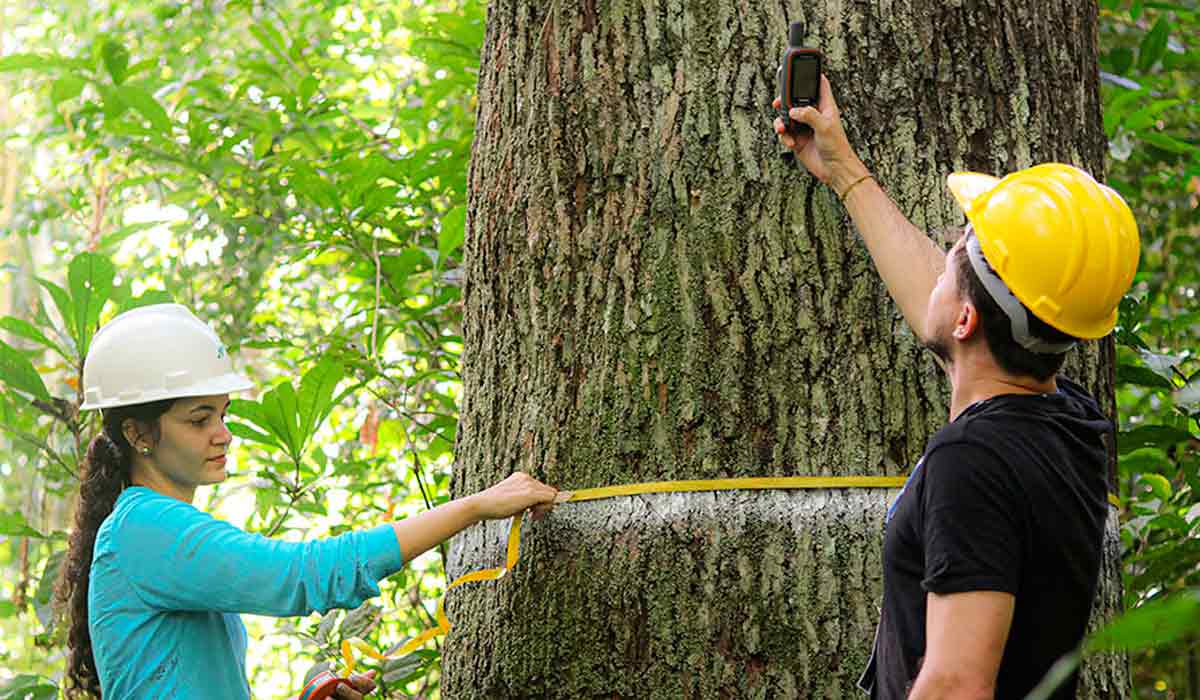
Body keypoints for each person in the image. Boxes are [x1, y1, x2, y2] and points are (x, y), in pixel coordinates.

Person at [772, 77, 1139, 699]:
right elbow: (940, 316)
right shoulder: (1071, 424)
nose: (942, 256)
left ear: (967, 321)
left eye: (952, 257)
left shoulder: (971, 464)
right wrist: (845, 174)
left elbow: (957, 683)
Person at [53, 303, 561, 699]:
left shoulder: (154, 528)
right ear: (139, 432)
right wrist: (474, 507)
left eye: (223, 414)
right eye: (199, 419)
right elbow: (302, 576)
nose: (223, 434)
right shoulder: (147, 529)